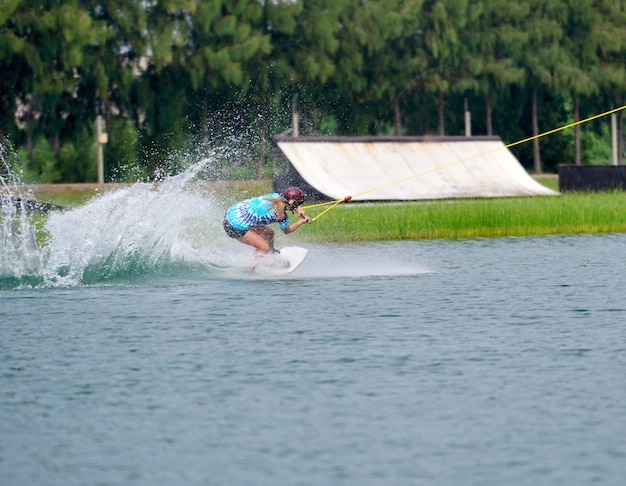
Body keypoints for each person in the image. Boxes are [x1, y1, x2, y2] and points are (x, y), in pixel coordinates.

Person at [223, 186, 311, 257]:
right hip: (234, 227)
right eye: (298, 204)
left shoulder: (275, 196)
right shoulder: (281, 215)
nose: (299, 206)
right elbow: (287, 231)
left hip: (231, 213)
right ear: (293, 203)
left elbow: (289, 202)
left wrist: (298, 209)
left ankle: (271, 254)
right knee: (264, 247)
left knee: (269, 233)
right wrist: (301, 221)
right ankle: (253, 269)